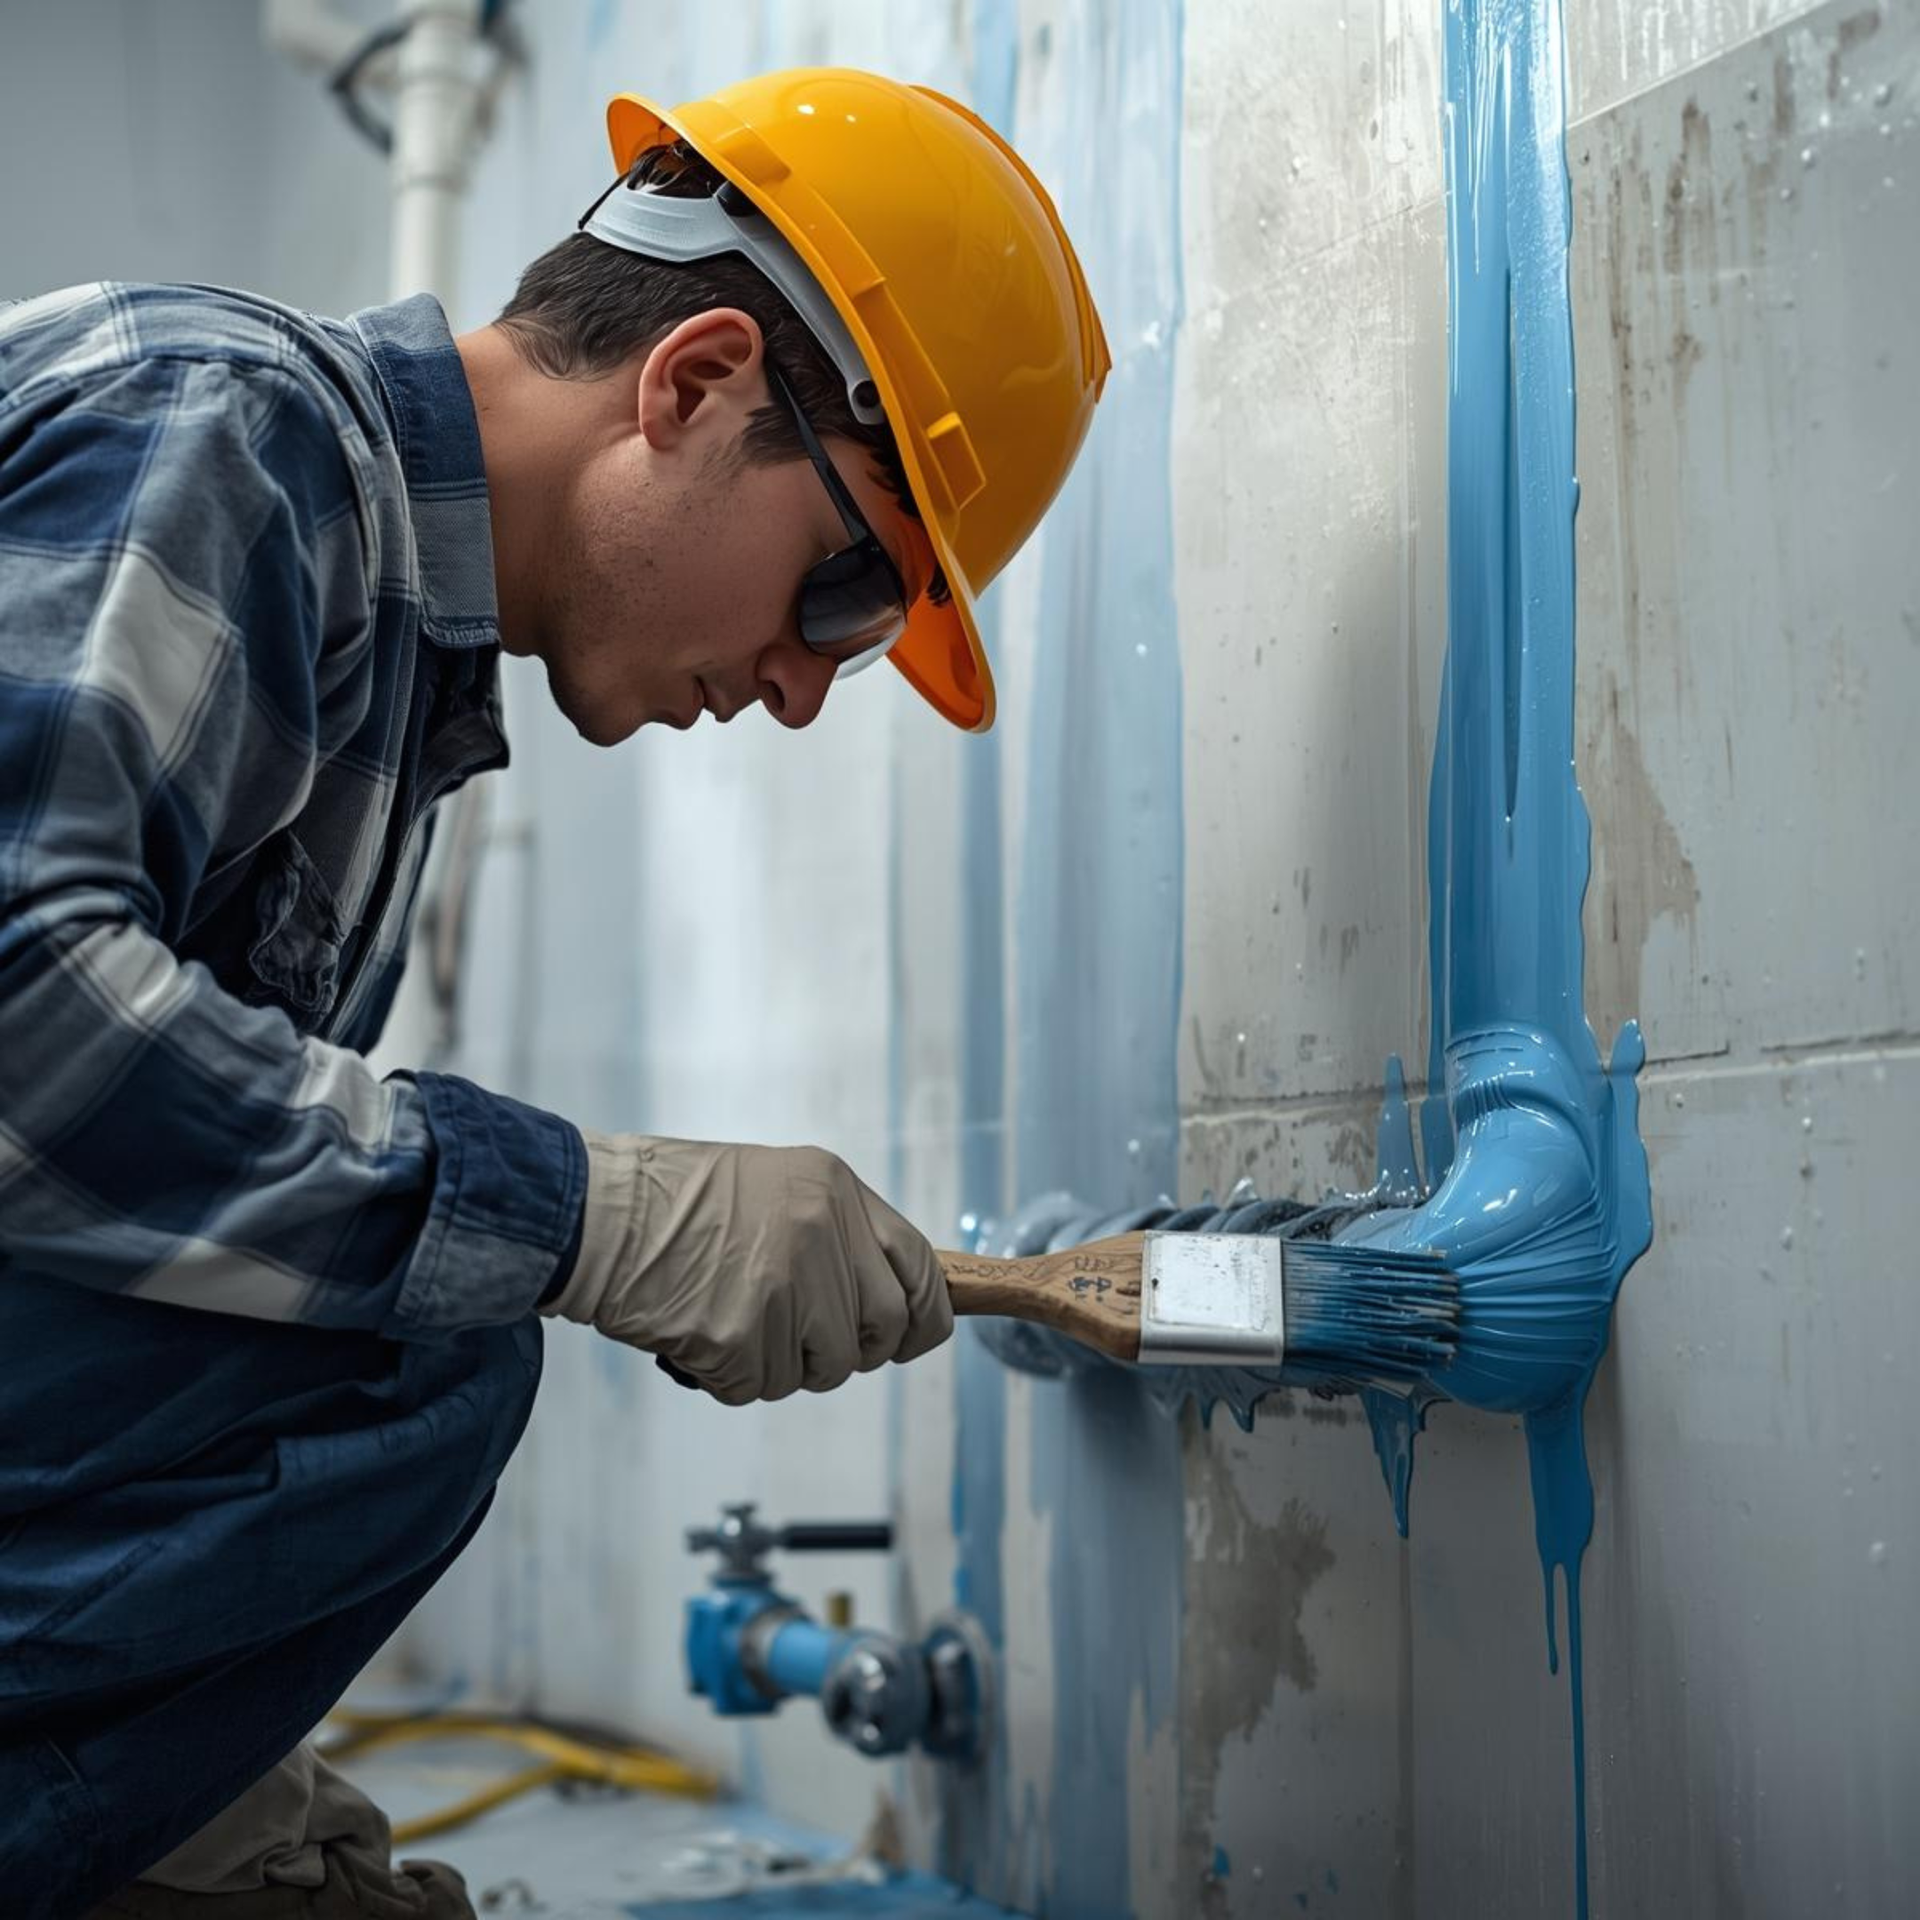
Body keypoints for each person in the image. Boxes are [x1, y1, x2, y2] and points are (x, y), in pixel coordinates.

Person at [0, 67, 1109, 1920]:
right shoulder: (227, 425)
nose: (805, 683)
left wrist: (204, 1779)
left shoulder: (372, 650)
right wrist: (585, 1210)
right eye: (846, 594)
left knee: (398, 1298)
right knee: (420, 1330)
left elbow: (121, 1262)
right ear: (692, 382)